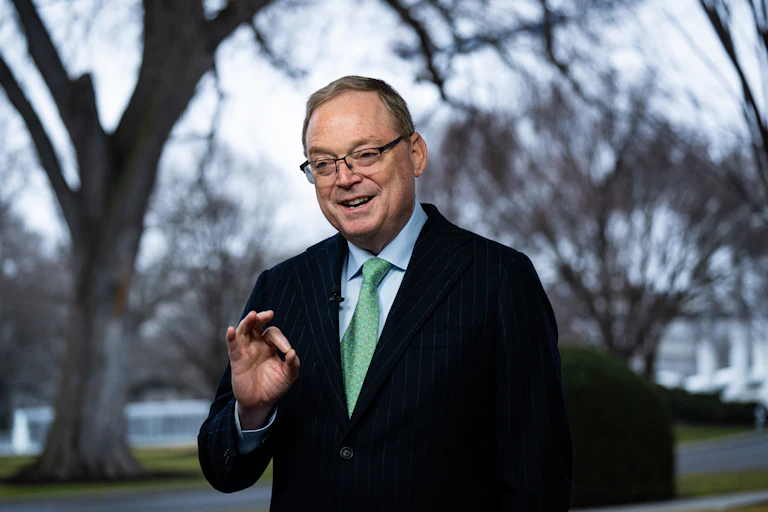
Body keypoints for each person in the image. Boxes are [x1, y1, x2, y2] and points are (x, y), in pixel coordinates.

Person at [198, 76, 572, 511]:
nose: (344, 178)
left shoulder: (499, 278)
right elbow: (223, 471)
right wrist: (252, 414)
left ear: (415, 153)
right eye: (323, 163)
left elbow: (537, 476)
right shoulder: (281, 287)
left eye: (366, 154)